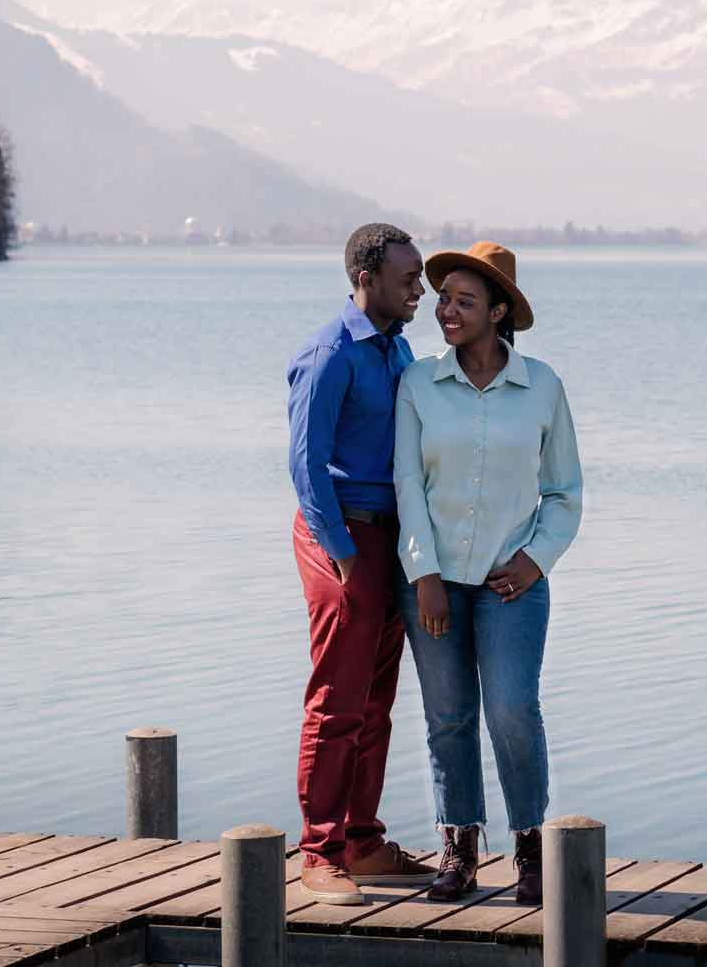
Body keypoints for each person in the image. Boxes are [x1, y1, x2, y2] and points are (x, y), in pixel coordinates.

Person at [393, 241, 583, 906]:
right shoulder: (418, 384)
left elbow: (564, 491)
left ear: (499, 312)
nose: (446, 309)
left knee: (511, 709)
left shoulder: (544, 388)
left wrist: (536, 559)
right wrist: (423, 573)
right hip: (434, 585)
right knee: (448, 718)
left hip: (513, 585)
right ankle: (459, 850)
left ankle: (530, 849)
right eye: (444, 297)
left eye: (464, 301)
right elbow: (406, 484)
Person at [286, 222, 439, 905]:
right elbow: (305, 465)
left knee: (376, 700)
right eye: (409, 277)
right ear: (366, 277)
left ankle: (363, 842)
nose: (420, 289)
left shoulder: (398, 349)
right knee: (337, 699)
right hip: (339, 538)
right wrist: (342, 556)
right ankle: (318, 853)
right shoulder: (328, 354)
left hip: (391, 540)